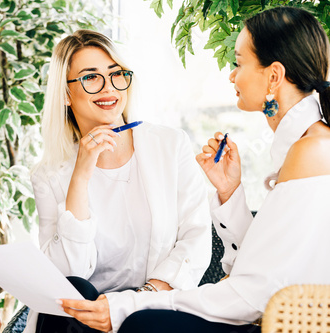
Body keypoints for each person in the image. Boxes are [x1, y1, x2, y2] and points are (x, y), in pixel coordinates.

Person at [54, 6, 330, 333]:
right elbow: (254, 270)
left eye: (238, 63)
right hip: (259, 311)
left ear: (273, 76)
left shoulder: (312, 150)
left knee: (144, 324)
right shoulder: (307, 144)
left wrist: (130, 303)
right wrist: (230, 193)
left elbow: (248, 293)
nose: (231, 75)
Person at [26, 29, 212, 332]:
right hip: (85, 318)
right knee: (74, 291)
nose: (109, 88)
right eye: (91, 77)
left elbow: (197, 238)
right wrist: (81, 174)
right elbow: (65, 274)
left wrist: (141, 299)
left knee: (140, 322)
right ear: (65, 94)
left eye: (116, 74)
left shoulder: (170, 144)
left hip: (154, 306)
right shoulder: (48, 174)